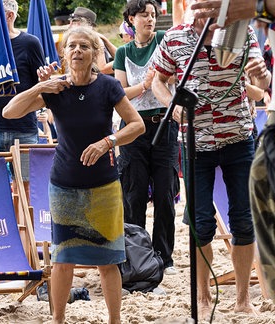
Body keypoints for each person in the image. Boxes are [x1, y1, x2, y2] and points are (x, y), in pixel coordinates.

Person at [3, 26, 145, 324]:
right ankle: (58, 320)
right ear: (64, 54)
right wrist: (40, 87)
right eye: (72, 46)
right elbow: (9, 113)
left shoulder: (107, 87)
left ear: (95, 53)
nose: (77, 51)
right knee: (62, 260)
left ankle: (115, 320)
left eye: (84, 46)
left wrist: (108, 141)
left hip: (104, 185)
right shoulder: (56, 90)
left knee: (109, 260)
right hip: (64, 184)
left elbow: (136, 125)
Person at [151, 1, 270, 318]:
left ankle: (243, 298)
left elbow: (261, 83)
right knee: (200, 225)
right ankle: (202, 296)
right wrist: (172, 107)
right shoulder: (175, 37)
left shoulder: (240, 33)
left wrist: (262, 76)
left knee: (243, 222)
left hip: (239, 140)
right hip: (195, 143)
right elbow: (157, 80)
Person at [113, 0, 180, 276]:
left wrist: (159, 81)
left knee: (165, 191)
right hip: (133, 126)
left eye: (153, 15)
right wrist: (143, 85)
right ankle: (137, 255)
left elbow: (176, 71)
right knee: (134, 193)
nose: (150, 20)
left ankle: (164, 256)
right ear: (131, 19)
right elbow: (119, 92)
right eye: (144, 15)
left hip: (163, 123)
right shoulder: (122, 52)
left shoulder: (164, 40)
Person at [0, 0, 48, 153]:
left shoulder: (30, 43)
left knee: (26, 177)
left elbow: (40, 84)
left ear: (9, 16)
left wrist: (45, 79)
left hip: (24, 130)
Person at [69, 7, 118, 75]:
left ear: (85, 24)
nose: (70, 25)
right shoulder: (91, 38)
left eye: (74, 22)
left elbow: (103, 69)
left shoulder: (95, 39)